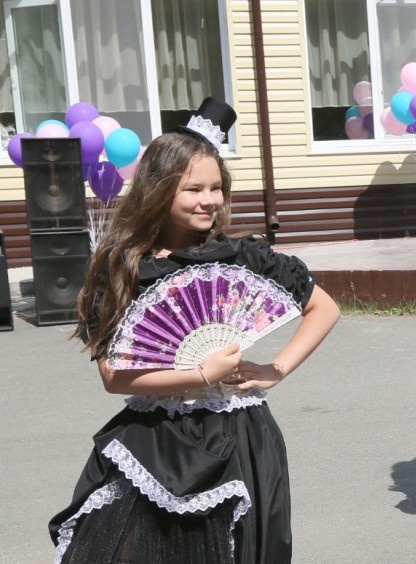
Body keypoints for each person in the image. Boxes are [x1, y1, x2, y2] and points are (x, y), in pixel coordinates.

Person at [49, 97, 340, 563]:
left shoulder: (245, 257)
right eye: (192, 189)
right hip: (156, 436)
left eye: (216, 187)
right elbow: (113, 377)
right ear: (159, 191)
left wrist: (276, 369)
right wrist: (200, 374)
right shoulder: (124, 267)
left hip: (240, 435)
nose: (209, 200)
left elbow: (323, 307)